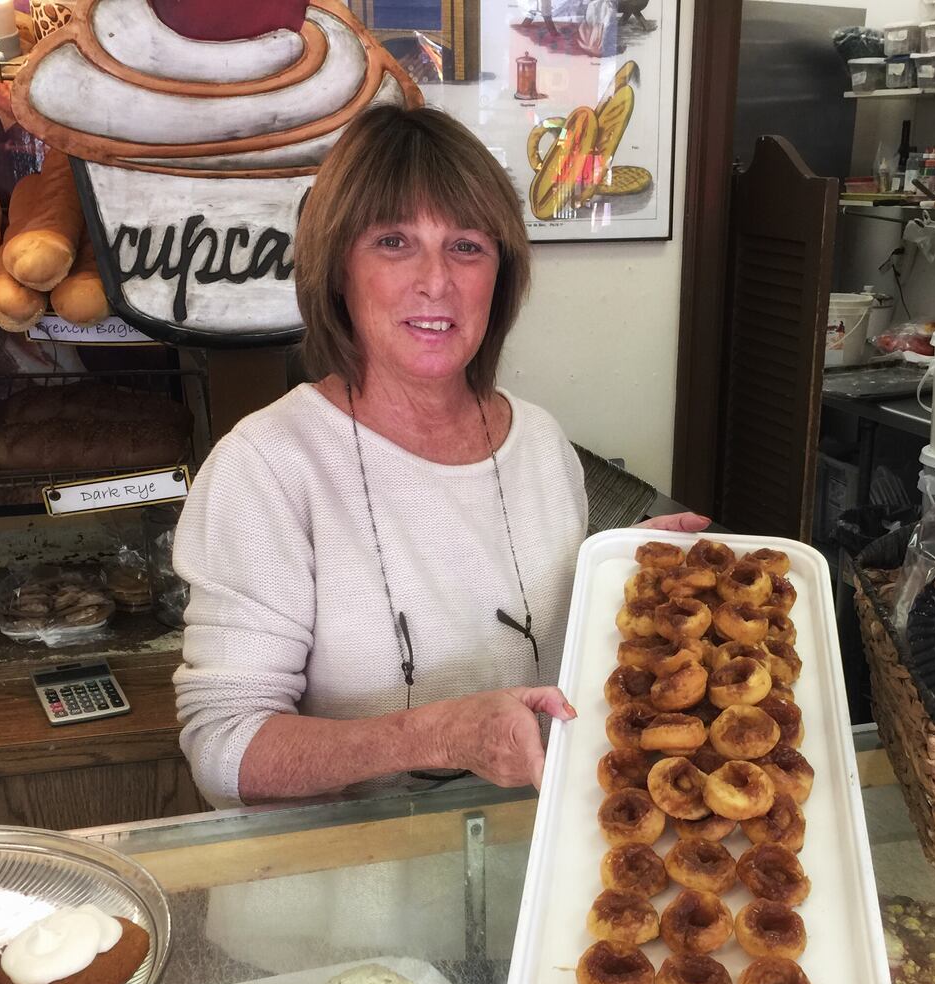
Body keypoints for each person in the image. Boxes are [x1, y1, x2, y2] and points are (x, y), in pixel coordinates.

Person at [172, 106, 701, 804]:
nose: (436, 281)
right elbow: (223, 749)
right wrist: (440, 735)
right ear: (338, 272)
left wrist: (625, 586)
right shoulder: (267, 467)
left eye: (466, 246)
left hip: (531, 865)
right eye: (394, 242)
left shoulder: (541, 443)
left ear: (499, 275)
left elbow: (553, 668)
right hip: (351, 891)